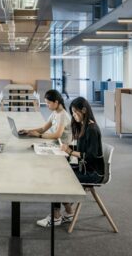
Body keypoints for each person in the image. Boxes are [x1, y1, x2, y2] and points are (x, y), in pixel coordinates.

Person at [37, 97, 105, 228]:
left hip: (93, 173)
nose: (73, 116)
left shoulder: (92, 129)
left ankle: (56, 216)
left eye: (75, 112)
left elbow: (90, 157)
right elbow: (83, 150)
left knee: (57, 178)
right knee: (57, 172)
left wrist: (69, 151)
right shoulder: (85, 127)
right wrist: (68, 148)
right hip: (85, 167)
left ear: (84, 110)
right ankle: (68, 212)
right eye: (72, 113)